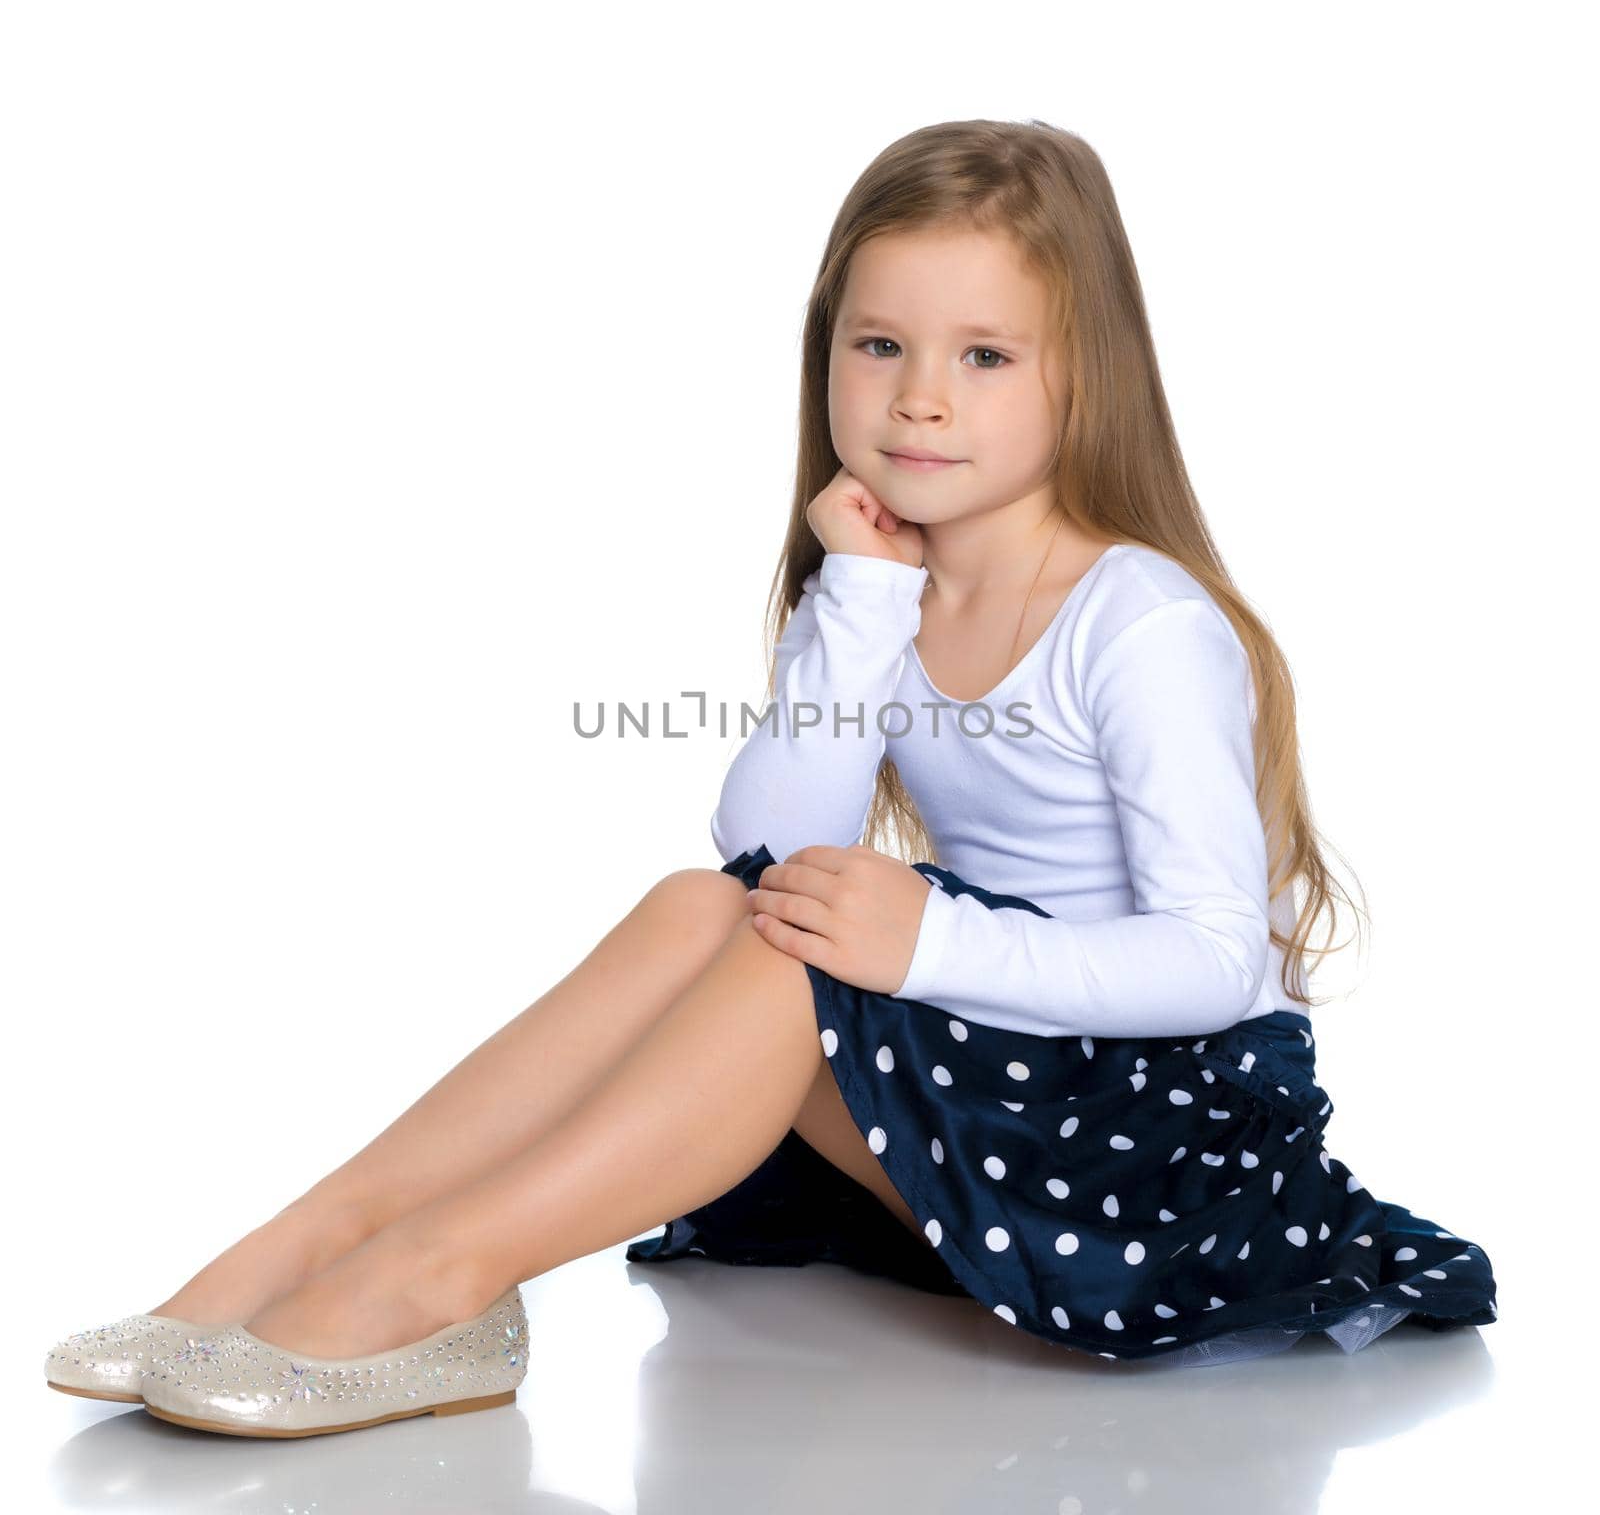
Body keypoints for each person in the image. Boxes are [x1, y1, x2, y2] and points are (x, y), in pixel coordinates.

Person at [45, 119, 1497, 1436]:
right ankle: (327, 1236)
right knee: (711, 904)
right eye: (880, 348)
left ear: (1083, 374)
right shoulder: (883, 578)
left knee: (797, 949)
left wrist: (925, 941)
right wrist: (860, 600)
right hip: (1008, 1070)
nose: (920, 401)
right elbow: (764, 841)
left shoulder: (1142, 625)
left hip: (1156, 1144)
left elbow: (1208, 956)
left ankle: (440, 1278)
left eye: (985, 357)